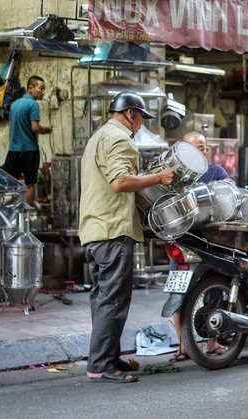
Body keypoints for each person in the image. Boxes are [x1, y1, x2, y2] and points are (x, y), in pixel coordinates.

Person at [79, 91, 175, 384]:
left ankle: (108, 357)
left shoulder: (99, 136)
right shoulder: (120, 138)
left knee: (103, 300)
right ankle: (99, 366)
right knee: (113, 301)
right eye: (141, 119)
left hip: (95, 231)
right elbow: (119, 182)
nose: (140, 125)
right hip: (112, 230)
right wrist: (158, 178)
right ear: (131, 113)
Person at [168, 130, 229, 361]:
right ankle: (183, 346)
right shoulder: (172, 175)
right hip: (181, 242)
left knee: (213, 292)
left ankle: (212, 342)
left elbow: (229, 198)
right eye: (192, 148)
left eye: (202, 147)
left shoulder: (216, 172)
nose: (199, 151)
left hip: (210, 241)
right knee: (176, 293)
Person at [1, 76, 52, 205]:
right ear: (30, 88)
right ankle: (26, 215)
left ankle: (10, 213)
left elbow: (11, 128)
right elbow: (35, 127)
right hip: (29, 150)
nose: (43, 92)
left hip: (13, 150)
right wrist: (46, 129)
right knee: (30, 185)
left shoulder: (14, 105)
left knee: (11, 184)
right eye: (41, 88)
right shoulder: (33, 104)